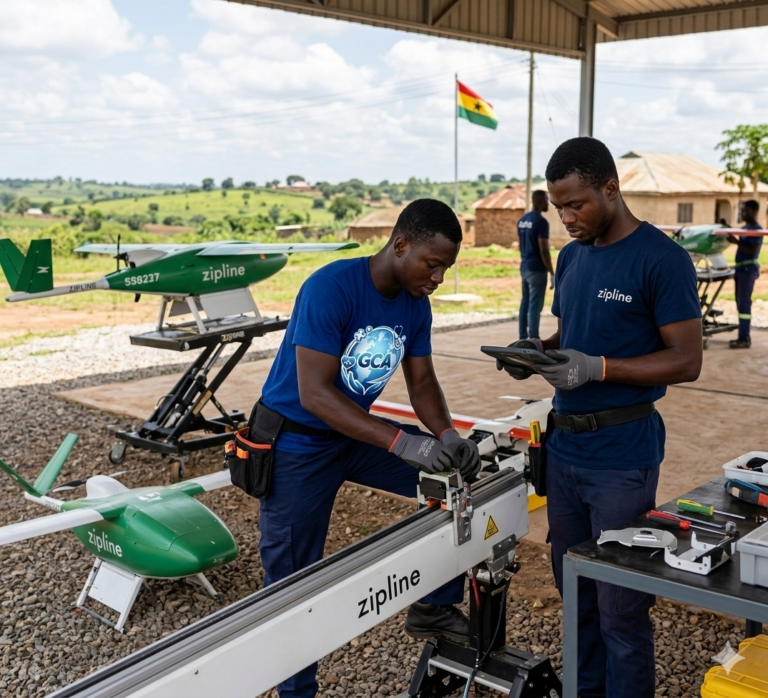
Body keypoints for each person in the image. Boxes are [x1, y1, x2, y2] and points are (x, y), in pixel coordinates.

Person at [498, 137, 702, 698]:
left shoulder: (661, 259)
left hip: (621, 456)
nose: (566, 219)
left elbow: (687, 360)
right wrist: (538, 353)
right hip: (565, 451)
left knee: (620, 609)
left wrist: (597, 368)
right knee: (577, 597)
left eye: (576, 204)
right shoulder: (571, 257)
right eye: (558, 207)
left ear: (611, 189)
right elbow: (573, 333)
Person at [255, 198, 481, 698]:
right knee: (293, 585)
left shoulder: (415, 303)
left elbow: (422, 383)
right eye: (432, 264)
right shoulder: (331, 288)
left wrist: (446, 436)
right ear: (400, 245)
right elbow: (315, 395)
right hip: (297, 443)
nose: (438, 278)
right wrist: (402, 442)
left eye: (446, 268)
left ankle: (433, 606)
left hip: (351, 436)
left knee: (449, 478)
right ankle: (297, 693)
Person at [517, 190, 555, 340]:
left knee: (525, 302)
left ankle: (522, 337)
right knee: (535, 305)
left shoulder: (522, 220)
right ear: (539, 201)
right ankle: (533, 338)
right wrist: (551, 272)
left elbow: (521, 245)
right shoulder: (541, 222)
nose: (548, 203)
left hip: (525, 267)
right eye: (546, 200)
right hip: (537, 269)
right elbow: (544, 249)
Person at [726, 199, 763, 349]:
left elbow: (752, 251)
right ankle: (742, 336)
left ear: (754, 211)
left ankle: (744, 337)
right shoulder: (745, 228)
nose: (743, 213)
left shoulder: (756, 229)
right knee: (740, 303)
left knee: (744, 303)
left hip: (748, 270)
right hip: (741, 270)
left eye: (746, 210)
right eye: (742, 210)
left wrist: (735, 242)